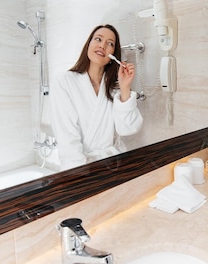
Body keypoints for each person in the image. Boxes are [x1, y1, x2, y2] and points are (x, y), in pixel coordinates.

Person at [50, 24, 143, 170]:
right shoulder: (64, 82)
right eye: (98, 39)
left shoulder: (114, 89)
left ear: (113, 54)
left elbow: (128, 129)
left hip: (114, 166)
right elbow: (66, 138)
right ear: (89, 44)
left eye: (110, 44)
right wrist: (80, 175)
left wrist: (125, 88)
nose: (102, 46)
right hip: (81, 170)